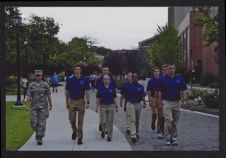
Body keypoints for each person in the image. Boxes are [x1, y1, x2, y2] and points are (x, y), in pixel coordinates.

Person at [158, 64, 188, 146]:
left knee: (175, 122)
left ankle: (174, 137)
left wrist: (184, 100)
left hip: (176, 102)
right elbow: (160, 92)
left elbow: (184, 90)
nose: (171, 70)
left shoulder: (179, 79)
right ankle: (167, 137)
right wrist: (159, 102)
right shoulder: (163, 80)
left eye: (173, 68)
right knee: (169, 119)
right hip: (166, 102)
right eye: (170, 68)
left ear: (175, 70)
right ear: (167, 70)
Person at [25, 70, 53, 145]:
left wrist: (50, 105)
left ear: (42, 76)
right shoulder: (31, 85)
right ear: (35, 76)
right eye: (37, 75)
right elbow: (28, 96)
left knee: (42, 123)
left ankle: (39, 138)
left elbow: (49, 95)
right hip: (34, 106)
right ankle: (38, 133)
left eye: (39, 75)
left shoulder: (45, 85)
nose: (38, 77)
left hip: (43, 107)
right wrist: (27, 105)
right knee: (34, 123)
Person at [65, 65, 91, 145]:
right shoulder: (70, 80)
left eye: (78, 69)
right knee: (71, 119)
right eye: (76, 69)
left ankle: (80, 138)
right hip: (72, 101)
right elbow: (67, 92)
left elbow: (87, 91)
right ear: (74, 70)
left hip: (81, 101)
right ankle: (74, 131)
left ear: (80, 70)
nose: (77, 70)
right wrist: (66, 103)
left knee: (80, 122)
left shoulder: (85, 79)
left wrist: (88, 102)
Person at [123, 73, 146, 143]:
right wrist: (124, 105)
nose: (135, 78)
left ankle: (136, 132)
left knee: (137, 120)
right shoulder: (128, 86)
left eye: (136, 77)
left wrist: (144, 103)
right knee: (133, 120)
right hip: (130, 104)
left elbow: (142, 96)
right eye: (134, 77)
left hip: (138, 104)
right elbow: (125, 97)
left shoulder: (140, 86)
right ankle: (133, 135)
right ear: (132, 78)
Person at [96, 74, 118, 142]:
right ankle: (103, 130)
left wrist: (116, 106)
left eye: (107, 79)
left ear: (109, 80)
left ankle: (109, 136)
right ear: (103, 80)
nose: (106, 80)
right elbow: (98, 98)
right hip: (102, 106)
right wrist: (97, 107)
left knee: (110, 122)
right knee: (103, 121)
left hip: (111, 106)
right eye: (105, 79)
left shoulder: (112, 88)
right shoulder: (100, 88)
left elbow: (114, 98)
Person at [95, 65, 116, 132]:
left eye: (106, 70)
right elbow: (97, 91)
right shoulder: (99, 80)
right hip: (102, 100)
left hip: (110, 101)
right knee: (102, 115)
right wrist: (97, 103)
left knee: (108, 116)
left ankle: (105, 127)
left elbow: (113, 90)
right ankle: (102, 124)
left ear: (108, 71)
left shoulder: (111, 79)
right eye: (104, 70)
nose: (105, 71)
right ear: (102, 71)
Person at [147, 67, 161, 133]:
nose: (156, 73)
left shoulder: (161, 80)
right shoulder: (151, 81)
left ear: (159, 72)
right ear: (153, 72)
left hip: (160, 98)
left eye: (157, 71)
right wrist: (149, 99)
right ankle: (153, 121)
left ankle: (158, 128)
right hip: (153, 98)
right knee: (155, 113)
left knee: (160, 114)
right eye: (155, 71)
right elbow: (149, 91)